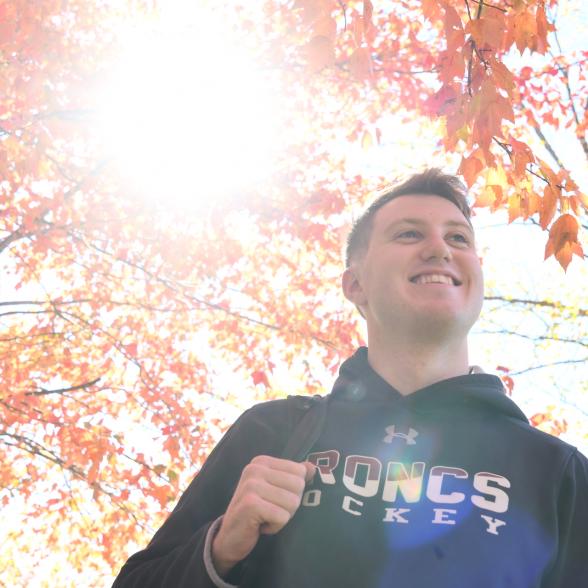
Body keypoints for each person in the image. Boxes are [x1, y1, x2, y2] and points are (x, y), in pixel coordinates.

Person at [112, 169, 588, 587]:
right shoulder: (272, 433)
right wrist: (217, 551)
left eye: (459, 238)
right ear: (355, 284)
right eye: (408, 234)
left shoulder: (555, 473)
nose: (440, 248)